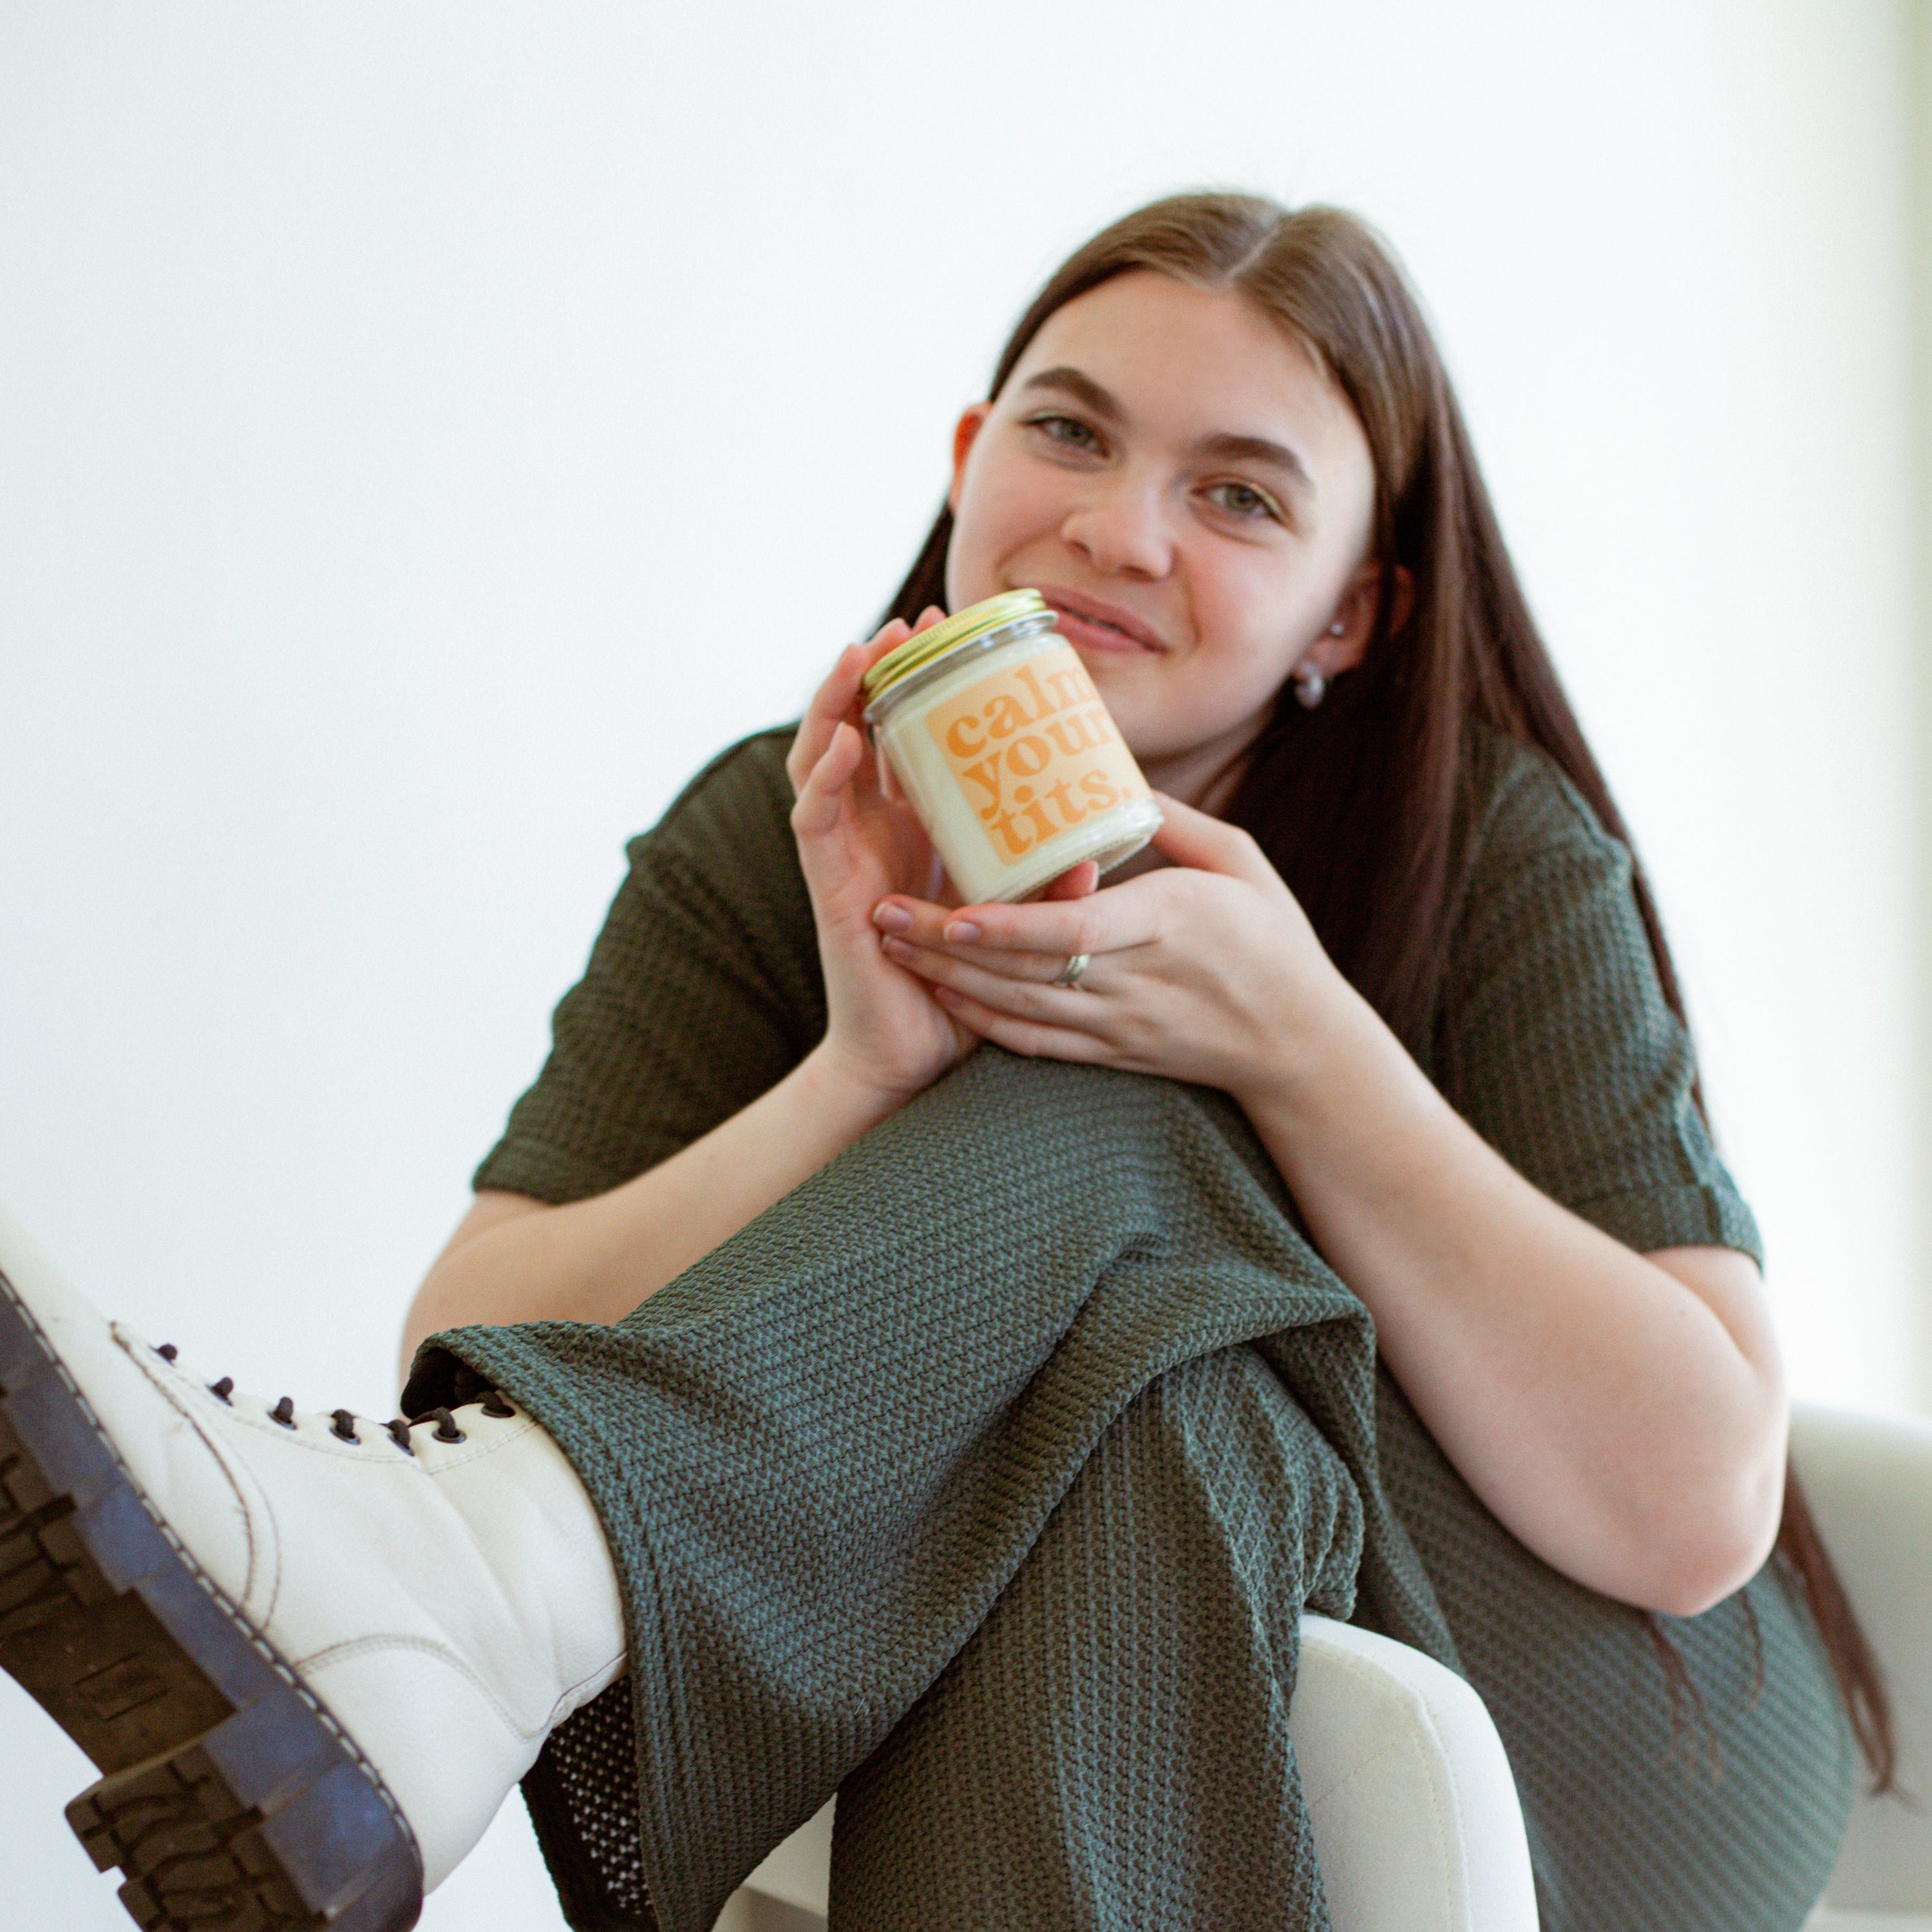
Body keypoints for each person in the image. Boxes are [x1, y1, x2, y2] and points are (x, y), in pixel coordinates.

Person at [0, 193, 1884, 1932]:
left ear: (1353, 611)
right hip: (1162, 1620)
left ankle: (473, 1613)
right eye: (1070, 434)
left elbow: (1696, 1507)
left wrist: (1299, 1046)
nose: (1122, 527)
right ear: (973, 460)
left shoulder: (1495, 849)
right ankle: (454, 1610)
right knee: (1141, 1426)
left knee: (1109, 1064)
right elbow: (468, 1341)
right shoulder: (784, 823)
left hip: (1619, 1733)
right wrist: (860, 1079)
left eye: (1240, 498)